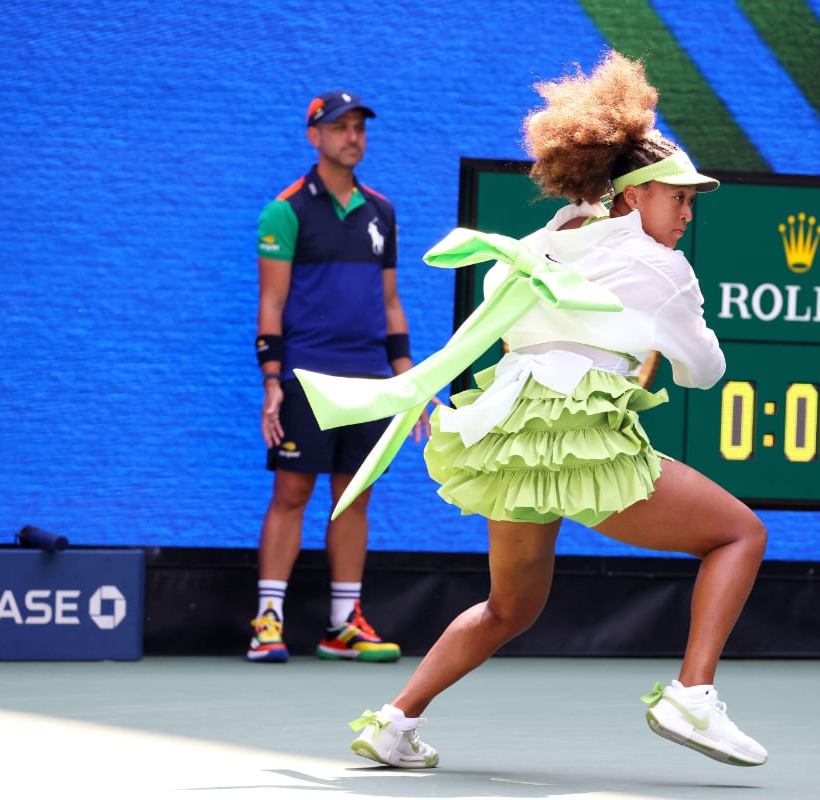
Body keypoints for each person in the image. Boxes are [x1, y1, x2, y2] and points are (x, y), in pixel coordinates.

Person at [307, 51, 768, 768]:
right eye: (676, 196)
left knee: (510, 607)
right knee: (739, 535)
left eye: (690, 200)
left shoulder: (545, 241)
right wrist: (670, 334)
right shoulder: (661, 266)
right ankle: (693, 695)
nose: (686, 211)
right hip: (574, 439)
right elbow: (705, 371)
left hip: (510, 437)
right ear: (632, 196)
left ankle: (394, 722)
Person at [246, 89, 430, 664]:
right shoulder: (285, 210)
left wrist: (409, 383)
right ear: (315, 136)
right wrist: (272, 381)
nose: (352, 136)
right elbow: (271, 304)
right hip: (306, 379)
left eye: (359, 128)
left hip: (370, 380)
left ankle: (342, 624)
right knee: (293, 491)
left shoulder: (382, 212)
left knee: (354, 495)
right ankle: (267, 620)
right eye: (340, 127)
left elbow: (391, 303)